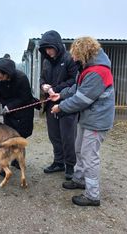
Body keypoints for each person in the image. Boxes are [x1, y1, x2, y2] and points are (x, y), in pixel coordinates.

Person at [50, 36, 115, 206]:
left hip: (97, 121)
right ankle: (79, 179)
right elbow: (77, 88)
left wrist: (61, 107)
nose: (73, 58)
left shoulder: (98, 71)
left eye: (76, 54)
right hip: (88, 118)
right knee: (79, 149)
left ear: (84, 53)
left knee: (89, 156)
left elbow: (82, 99)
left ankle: (92, 195)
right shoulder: (87, 68)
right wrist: (61, 94)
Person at [39, 30, 79, 180]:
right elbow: (42, 78)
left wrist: (56, 89)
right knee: (54, 135)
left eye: (50, 48)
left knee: (68, 136)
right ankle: (58, 161)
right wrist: (44, 86)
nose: (48, 52)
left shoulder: (69, 59)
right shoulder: (46, 61)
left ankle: (70, 165)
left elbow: (74, 81)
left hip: (66, 103)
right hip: (50, 102)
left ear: (56, 45)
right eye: (45, 49)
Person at [0, 57, 34, 169]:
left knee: (20, 136)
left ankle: (19, 160)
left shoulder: (21, 78)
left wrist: (9, 106)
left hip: (23, 111)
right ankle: (8, 161)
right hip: (8, 113)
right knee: (9, 137)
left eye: (2, 77)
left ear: (7, 73)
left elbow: (25, 97)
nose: (0, 80)